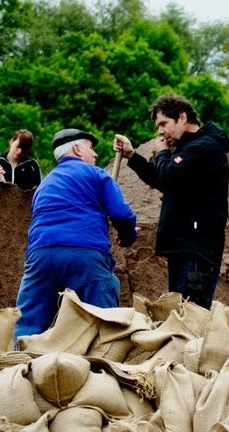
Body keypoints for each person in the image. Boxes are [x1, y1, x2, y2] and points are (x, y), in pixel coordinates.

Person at [14, 129, 137, 339]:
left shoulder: (44, 185)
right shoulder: (97, 175)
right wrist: (127, 236)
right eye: (91, 148)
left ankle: (22, 365)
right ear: (78, 149)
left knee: (29, 325)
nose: (95, 155)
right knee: (103, 321)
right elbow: (121, 213)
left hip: (40, 255)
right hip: (84, 253)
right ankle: (100, 365)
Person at [114, 94, 229, 308]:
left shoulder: (204, 147)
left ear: (182, 118)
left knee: (190, 314)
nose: (160, 131)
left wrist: (162, 154)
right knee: (179, 312)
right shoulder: (188, 149)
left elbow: (169, 174)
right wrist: (132, 156)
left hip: (196, 246)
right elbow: (166, 182)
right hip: (184, 245)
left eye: (164, 123)